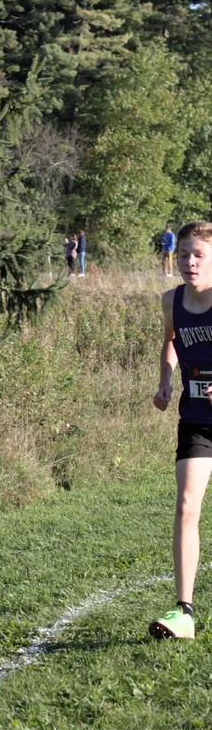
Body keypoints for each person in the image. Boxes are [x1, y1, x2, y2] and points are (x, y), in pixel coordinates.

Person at [150, 221, 212, 640]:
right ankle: (184, 612)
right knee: (187, 506)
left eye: (199, 255)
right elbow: (171, 339)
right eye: (185, 253)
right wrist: (165, 379)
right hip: (195, 418)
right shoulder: (170, 300)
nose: (189, 262)